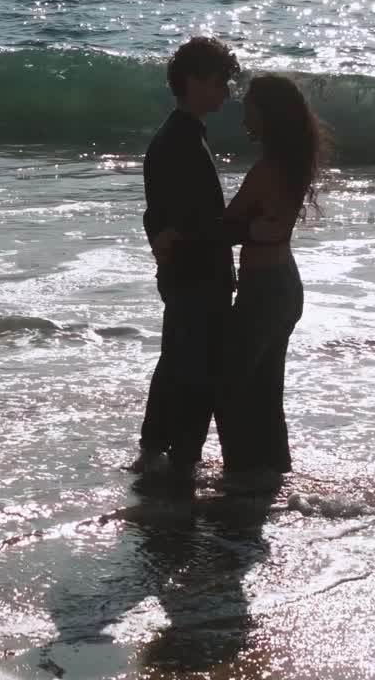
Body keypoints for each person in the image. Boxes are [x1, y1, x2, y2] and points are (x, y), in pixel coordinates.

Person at [130, 37, 243, 477]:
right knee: (196, 370)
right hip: (196, 275)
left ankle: (157, 450)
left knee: (178, 361)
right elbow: (191, 223)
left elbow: (160, 216)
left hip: (184, 273)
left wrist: (161, 232)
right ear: (195, 81)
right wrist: (246, 227)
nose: (226, 93)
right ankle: (181, 460)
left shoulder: (175, 136)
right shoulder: (180, 141)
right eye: (220, 82)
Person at [215, 74, 327, 475]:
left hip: (264, 289)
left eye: (249, 105)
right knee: (265, 392)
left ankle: (242, 475)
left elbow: (226, 228)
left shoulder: (267, 169)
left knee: (229, 388)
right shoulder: (291, 163)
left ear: (267, 114)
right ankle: (273, 475)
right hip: (284, 284)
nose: (243, 111)